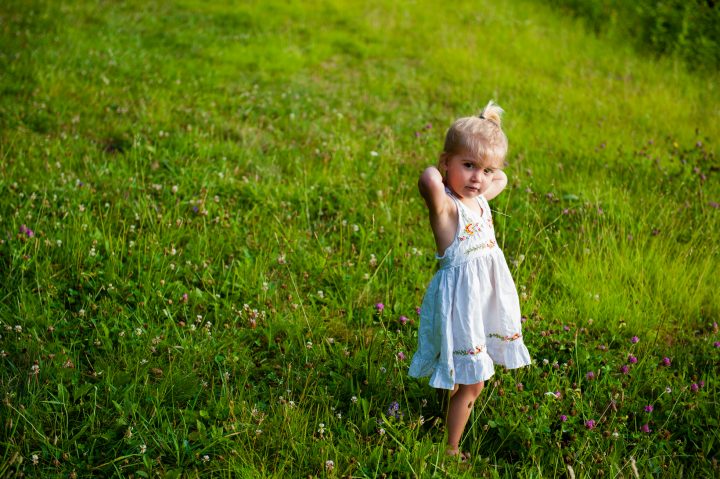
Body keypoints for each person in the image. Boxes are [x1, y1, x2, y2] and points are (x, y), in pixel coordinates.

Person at [408, 100, 532, 461]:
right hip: (461, 303)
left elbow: (502, 178)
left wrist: (486, 156)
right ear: (446, 163)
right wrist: (443, 171)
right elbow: (428, 179)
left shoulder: (480, 197)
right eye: (468, 166)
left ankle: (448, 422)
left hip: (484, 299)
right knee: (473, 380)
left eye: (486, 170)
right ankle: (450, 449)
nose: (479, 177)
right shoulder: (447, 209)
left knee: (469, 372)